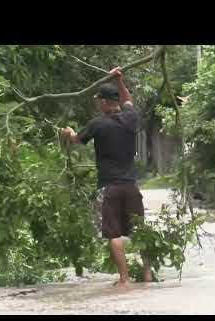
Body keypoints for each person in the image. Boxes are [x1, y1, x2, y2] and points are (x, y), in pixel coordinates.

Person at [61, 67, 152, 289]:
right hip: (131, 185)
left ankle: (124, 279)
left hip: (111, 187)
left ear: (103, 102)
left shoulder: (97, 124)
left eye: (97, 101)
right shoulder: (130, 119)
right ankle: (148, 276)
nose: (96, 104)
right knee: (140, 232)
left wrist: (67, 131)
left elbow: (76, 140)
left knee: (114, 234)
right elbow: (128, 99)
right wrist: (119, 79)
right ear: (117, 101)